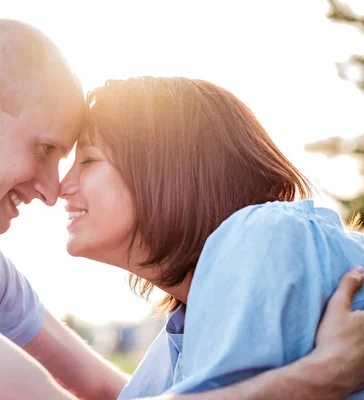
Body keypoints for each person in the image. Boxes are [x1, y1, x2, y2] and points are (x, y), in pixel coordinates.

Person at [0, 19, 362, 400]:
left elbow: (106, 392)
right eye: (46, 149)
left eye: (81, 159)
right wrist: (315, 379)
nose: (54, 190)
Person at [58, 76, 364, 399]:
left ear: (164, 169)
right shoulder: (179, 333)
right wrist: (325, 373)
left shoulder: (264, 235)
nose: (62, 186)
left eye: (89, 160)